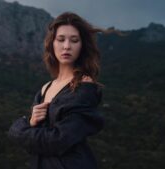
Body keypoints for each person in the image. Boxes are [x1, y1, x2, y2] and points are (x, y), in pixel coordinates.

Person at [8, 12, 106, 169]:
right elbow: (38, 140)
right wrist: (31, 122)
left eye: (74, 40)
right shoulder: (45, 88)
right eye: (61, 39)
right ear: (52, 44)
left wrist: (19, 128)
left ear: (82, 46)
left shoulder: (84, 86)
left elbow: (57, 141)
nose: (67, 46)